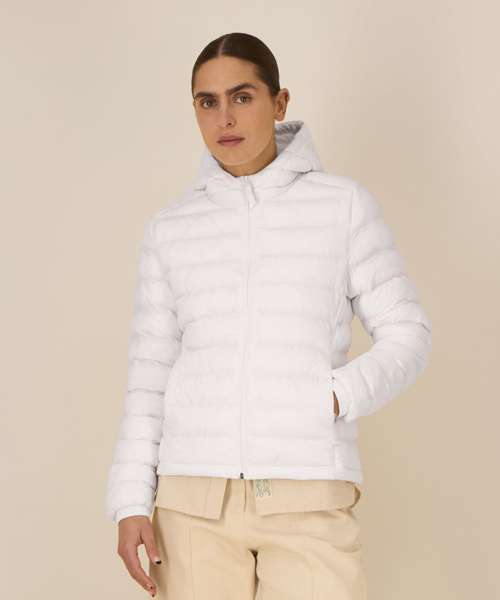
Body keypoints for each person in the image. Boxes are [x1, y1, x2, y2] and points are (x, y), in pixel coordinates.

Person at [105, 32, 432, 600]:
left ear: (279, 103)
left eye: (242, 96)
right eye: (207, 102)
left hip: (307, 494)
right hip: (192, 504)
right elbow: (150, 374)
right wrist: (131, 501)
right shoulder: (171, 230)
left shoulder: (342, 206)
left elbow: (409, 334)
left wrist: (333, 396)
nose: (225, 118)